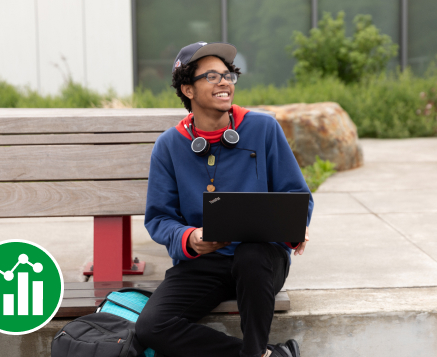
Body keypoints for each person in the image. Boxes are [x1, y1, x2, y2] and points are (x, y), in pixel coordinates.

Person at [135, 41, 314, 357]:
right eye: (211, 76)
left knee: (251, 255)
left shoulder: (263, 128)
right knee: (151, 327)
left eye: (228, 74)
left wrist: (292, 224)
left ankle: (255, 351)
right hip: (205, 263)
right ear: (188, 90)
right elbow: (159, 217)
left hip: (261, 261)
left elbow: (297, 194)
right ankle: (268, 355)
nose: (224, 81)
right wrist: (190, 238)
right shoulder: (168, 146)